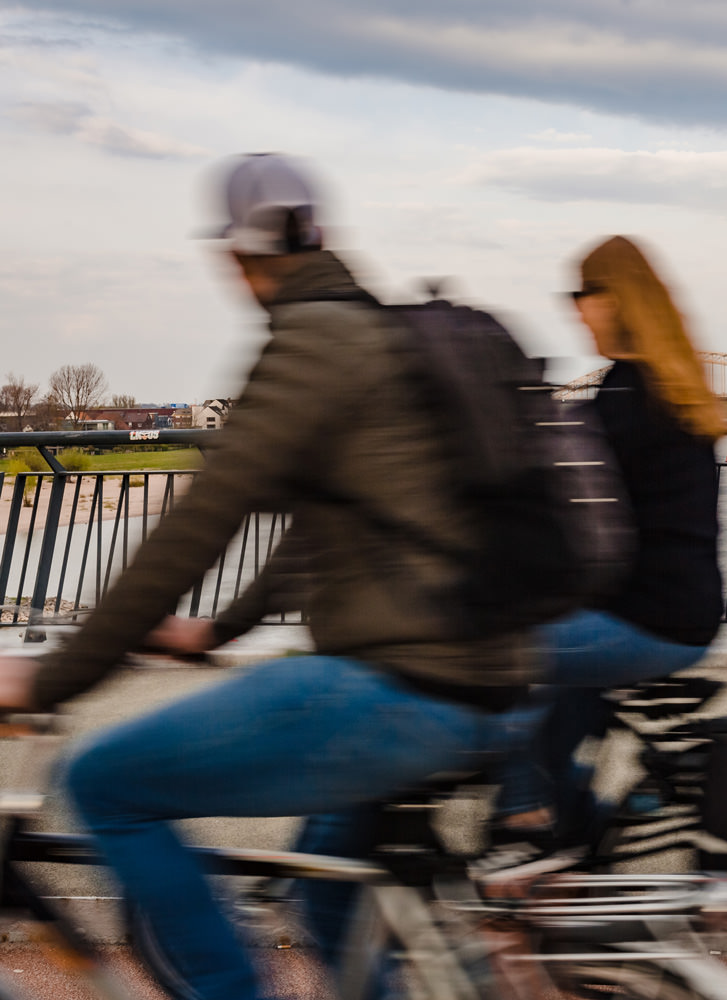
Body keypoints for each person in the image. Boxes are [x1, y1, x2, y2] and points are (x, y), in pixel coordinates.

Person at [0, 153, 539, 1000]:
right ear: (317, 232)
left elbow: (199, 523)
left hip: (404, 687)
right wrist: (214, 631)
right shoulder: (378, 329)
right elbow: (316, 529)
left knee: (101, 781)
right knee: (323, 896)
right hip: (486, 678)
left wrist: (50, 678)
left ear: (234, 255)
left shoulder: (313, 339)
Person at [494, 235, 727, 842]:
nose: (576, 309)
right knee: (557, 711)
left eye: (583, 294)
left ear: (613, 299)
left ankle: (523, 819)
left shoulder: (626, 393)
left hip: (647, 617)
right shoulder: (672, 384)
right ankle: (577, 841)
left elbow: (569, 511)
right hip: (684, 606)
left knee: (500, 653)